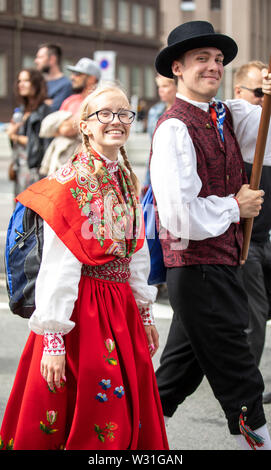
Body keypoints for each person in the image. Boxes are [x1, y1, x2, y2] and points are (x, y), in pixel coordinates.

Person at [0, 82, 169, 451]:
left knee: (120, 409)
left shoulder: (126, 178)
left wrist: (144, 313)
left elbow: (135, 251)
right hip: (84, 310)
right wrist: (55, 339)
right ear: (85, 125)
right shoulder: (69, 184)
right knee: (86, 410)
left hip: (119, 306)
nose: (117, 121)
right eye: (105, 114)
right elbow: (57, 268)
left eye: (124, 114)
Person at [150, 20, 271, 450]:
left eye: (218, 60)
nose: (214, 66)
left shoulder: (227, 116)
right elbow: (178, 217)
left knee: (174, 376)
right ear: (178, 68)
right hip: (199, 270)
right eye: (202, 58)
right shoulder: (174, 129)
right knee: (241, 379)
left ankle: (121, 442)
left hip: (215, 267)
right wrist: (234, 208)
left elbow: (266, 135)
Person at [234, 61, 271, 403]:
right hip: (249, 241)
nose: (265, 100)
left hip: (267, 238)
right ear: (241, 93)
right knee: (255, 316)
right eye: (260, 93)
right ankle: (248, 386)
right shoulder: (237, 121)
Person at [7, 68, 51, 196]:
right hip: (19, 168)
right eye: (20, 81)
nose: (21, 84)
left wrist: (14, 135)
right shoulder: (21, 111)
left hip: (34, 170)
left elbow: (39, 144)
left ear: (36, 84)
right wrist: (13, 134)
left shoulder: (44, 111)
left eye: (26, 80)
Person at [58, 57, 101, 138]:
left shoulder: (101, 101)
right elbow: (58, 129)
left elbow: (65, 130)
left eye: (77, 74)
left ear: (91, 79)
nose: (72, 77)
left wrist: (69, 123)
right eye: (73, 73)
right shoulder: (70, 100)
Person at [35, 43, 73, 111]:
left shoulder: (65, 85)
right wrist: (46, 102)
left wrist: (37, 102)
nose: (36, 61)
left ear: (52, 59)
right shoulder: (38, 83)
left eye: (40, 57)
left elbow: (53, 111)